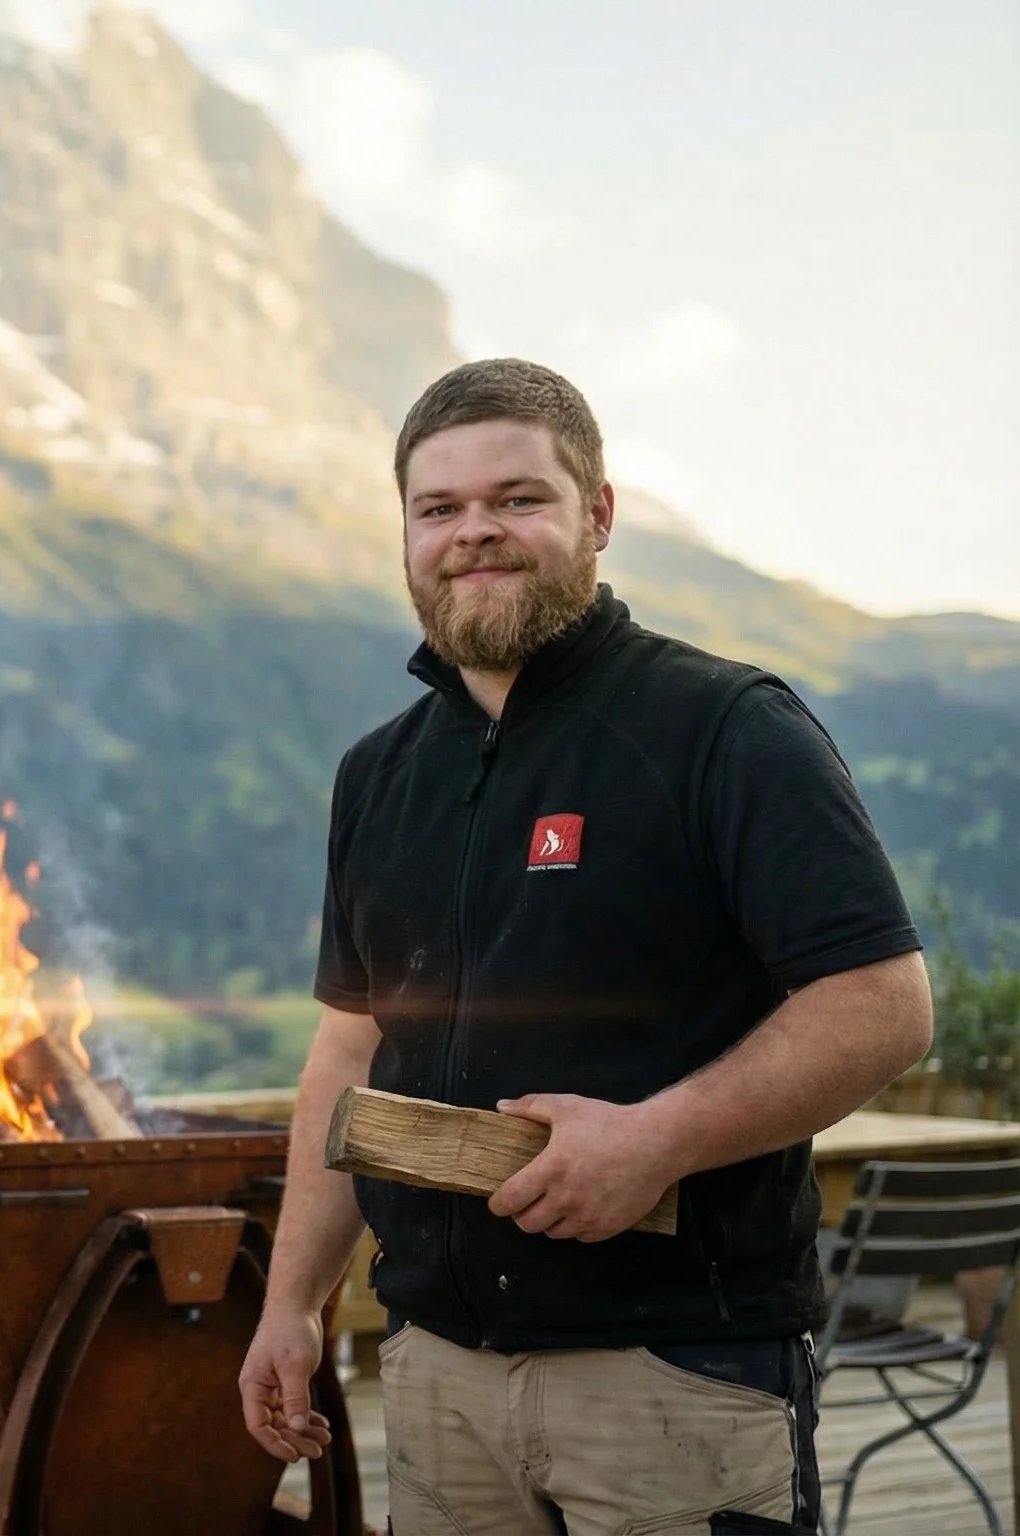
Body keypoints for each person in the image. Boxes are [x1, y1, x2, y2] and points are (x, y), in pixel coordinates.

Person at [236, 359, 932, 1532]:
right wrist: (293, 1299)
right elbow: (350, 1053)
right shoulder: (378, 774)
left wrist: (656, 1140)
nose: (474, 531)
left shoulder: (724, 727)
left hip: (673, 1370)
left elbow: (882, 1004)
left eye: (517, 498)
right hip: (435, 1374)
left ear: (598, 514)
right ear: (405, 534)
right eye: (438, 507)